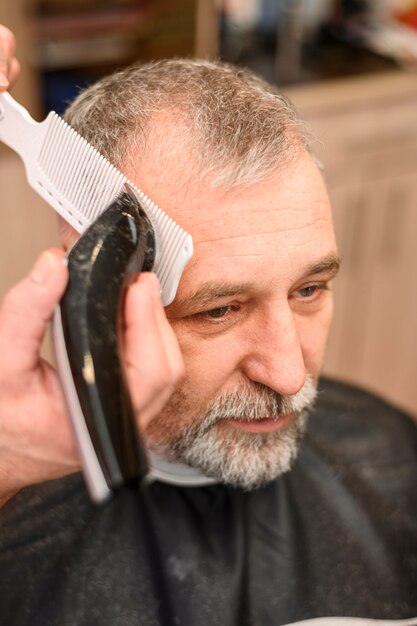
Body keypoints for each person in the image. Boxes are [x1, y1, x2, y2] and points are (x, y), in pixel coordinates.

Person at [1, 24, 417, 626]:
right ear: (95, 290)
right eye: (218, 310)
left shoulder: (392, 456)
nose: (288, 372)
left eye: (309, 290)